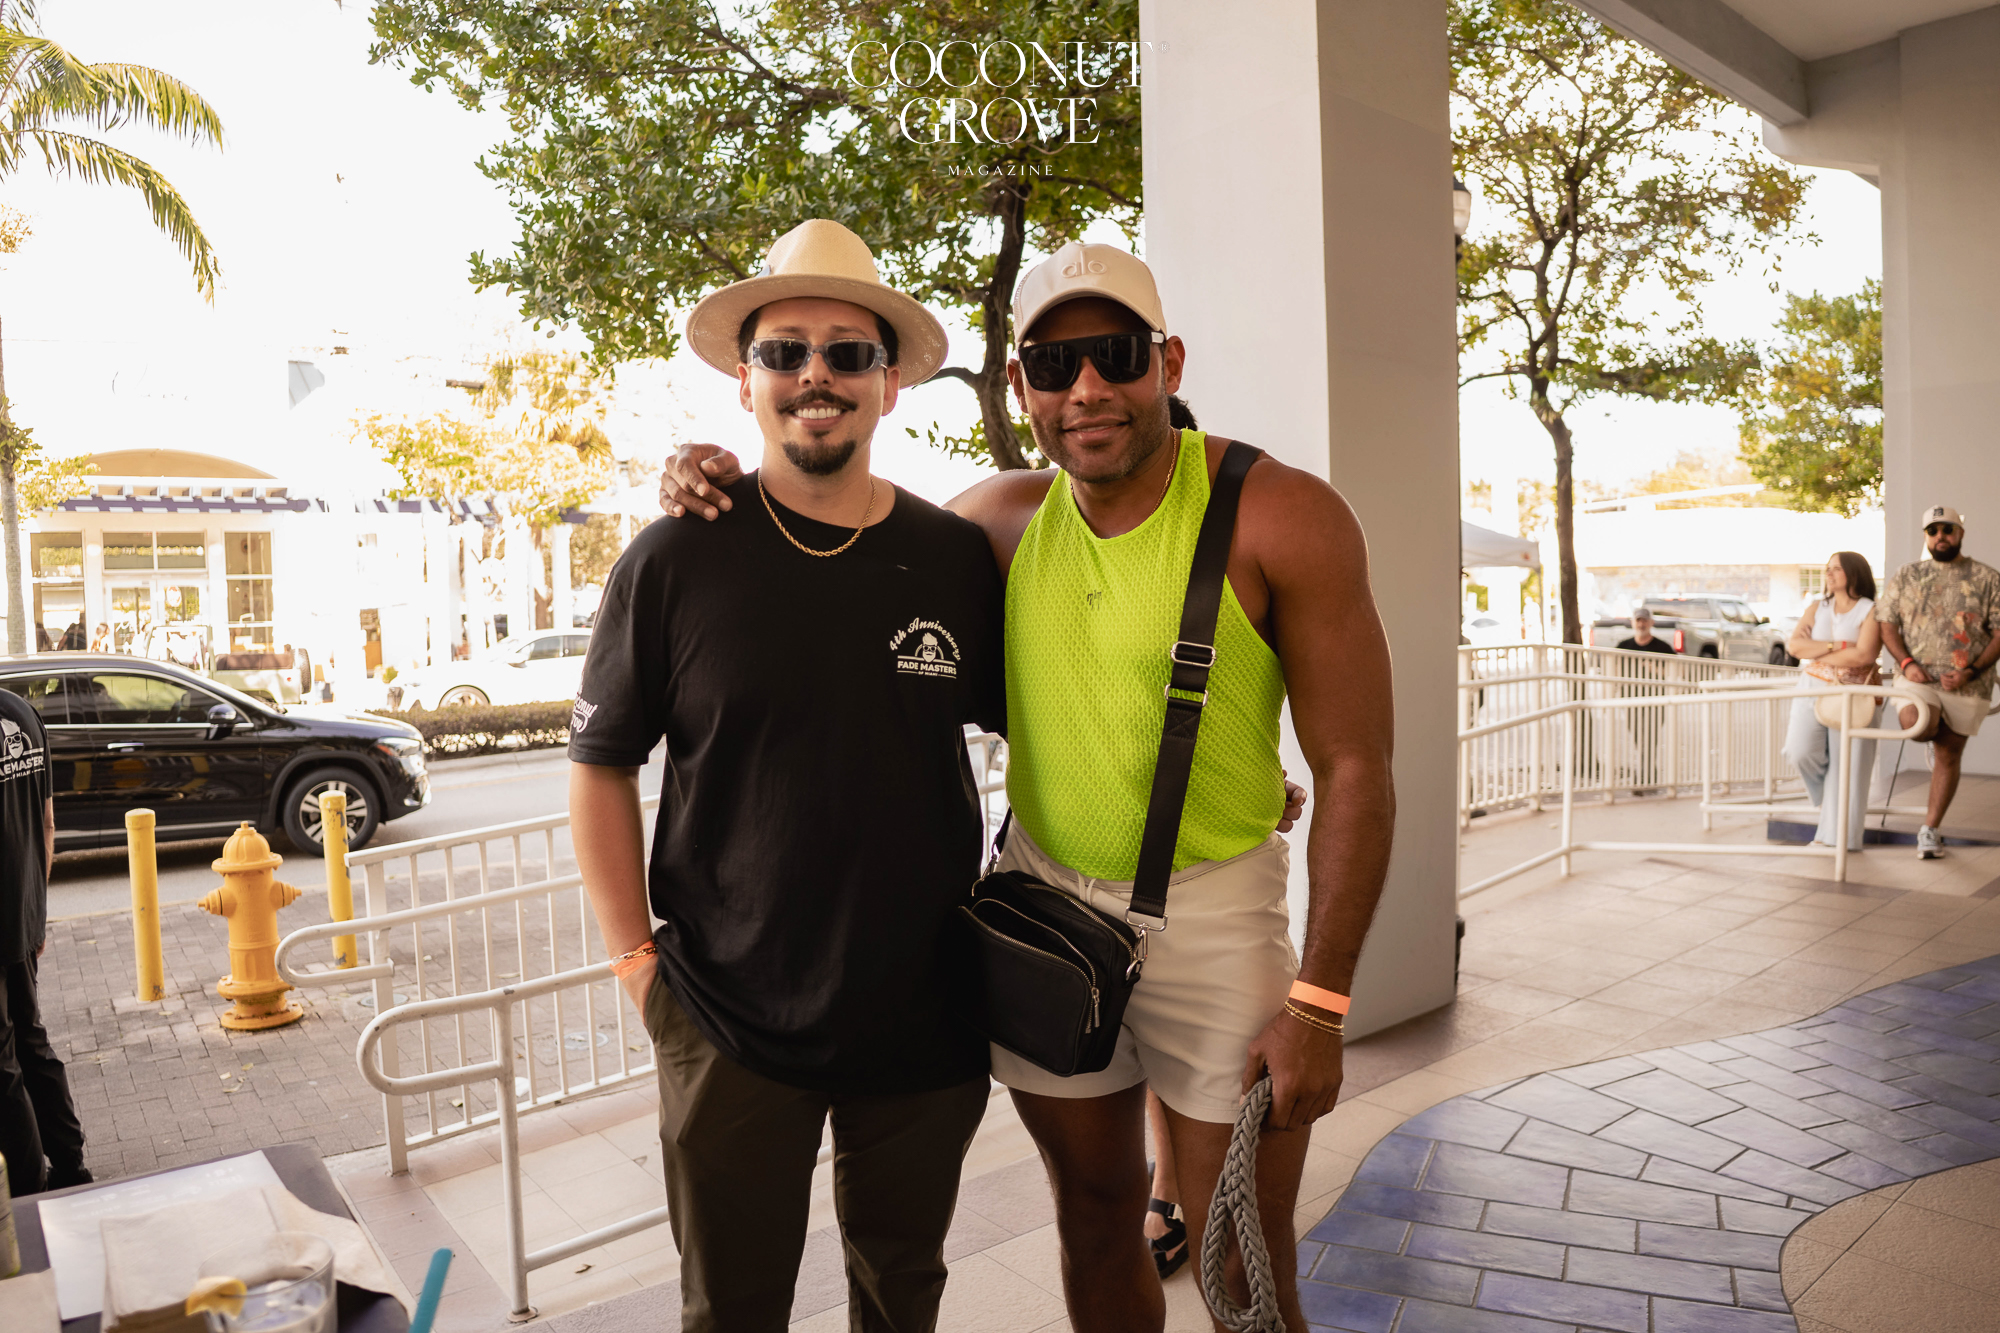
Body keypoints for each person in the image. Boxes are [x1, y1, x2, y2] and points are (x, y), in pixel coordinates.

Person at [660, 239, 1395, 1333]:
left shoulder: (1278, 512)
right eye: (1053, 366)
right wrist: (702, 475)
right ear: (1020, 387)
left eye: (1115, 355)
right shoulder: (994, 524)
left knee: (1240, 1256)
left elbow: (1357, 765)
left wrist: (1321, 1002)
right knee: (1092, 1220)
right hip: (1045, 914)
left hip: (1214, 918)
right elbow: (843, 547)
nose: (1085, 388)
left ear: (1168, 362)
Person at [568, 220, 1005, 1333]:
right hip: (726, 1017)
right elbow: (601, 764)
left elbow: (1053, 719)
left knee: (902, 1297)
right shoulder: (672, 558)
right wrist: (637, 965)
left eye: (848, 353)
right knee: (731, 1310)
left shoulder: (951, 557)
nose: (817, 374)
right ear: (745, 381)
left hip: (924, 1011)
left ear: (889, 384)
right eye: (785, 351)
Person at [0, 683, 91, 1196]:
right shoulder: (23, 713)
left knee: (2, 1062)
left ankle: (28, 1189)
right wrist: (35, 910)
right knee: (31, 1039)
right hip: (25, 911)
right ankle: (71, 1165)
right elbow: (47, 823)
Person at [1876, 505, 2000, 858]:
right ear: (1925, 536)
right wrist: (1906, 663)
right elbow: (1886, 623)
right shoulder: (1907, 574)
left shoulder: (1987, 577)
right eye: (1933, 530)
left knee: (1949, 754)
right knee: (1917, 723)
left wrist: (1970, 672)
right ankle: (1932, 728)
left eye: (1947, 529)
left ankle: (1930, 831)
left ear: (1960, 533)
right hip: (1917, 677)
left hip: (1968, 683)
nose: (1940, 536)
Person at [1782, 553, 1884, 850]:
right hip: (1811, 687)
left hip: (1854, 692)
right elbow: (1795, 646)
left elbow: (1864, 654)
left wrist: (1815, 650)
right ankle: (1830, 804)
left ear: (1855, 573)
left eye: (1836, 568)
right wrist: (1838, 645)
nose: (1829, 573)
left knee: (1849, 767)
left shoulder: (1871, 610)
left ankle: (1839, 841)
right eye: (1828, 568)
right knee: (1799, 751)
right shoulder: (1817, 606)